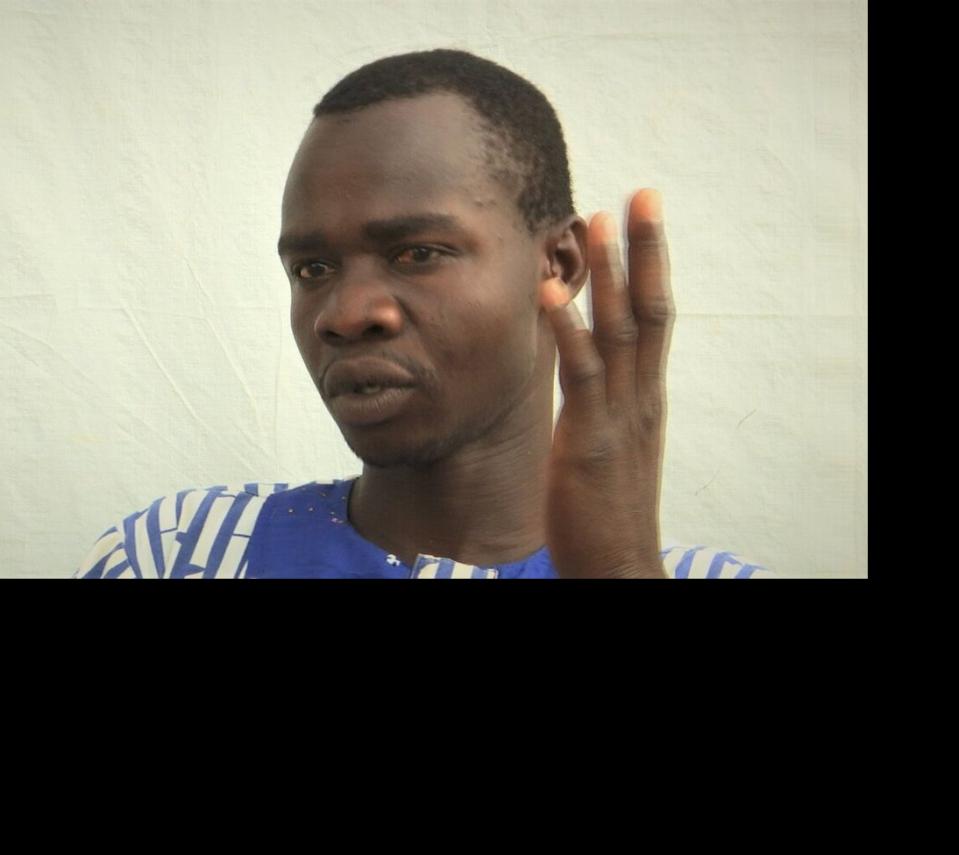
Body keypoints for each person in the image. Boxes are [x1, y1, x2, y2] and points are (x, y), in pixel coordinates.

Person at [74, 49, 769, 579]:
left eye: (417, 253)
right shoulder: (175, 553)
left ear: (557, 262)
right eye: (312, 269)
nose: (345, 314)